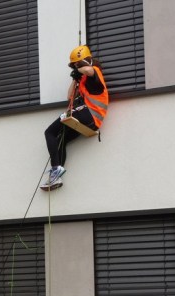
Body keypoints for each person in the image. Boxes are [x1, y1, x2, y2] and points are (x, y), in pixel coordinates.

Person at [41, 45, 109, 190]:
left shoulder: (94, 71)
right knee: (61, 140)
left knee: (49, 132)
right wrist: (75, 79)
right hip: (90, 120)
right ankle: (56, 177)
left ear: (87, 61)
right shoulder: (83, 81)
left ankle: (55, 169)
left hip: (89, 114)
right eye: (74, 66)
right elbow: (69, 96)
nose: (76, 67)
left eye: (78, 64)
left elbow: (88, 70)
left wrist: (79, 69)